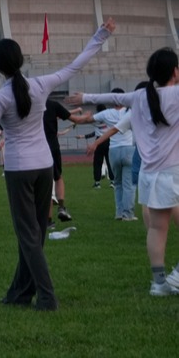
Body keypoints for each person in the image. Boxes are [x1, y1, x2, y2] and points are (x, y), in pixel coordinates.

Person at [0, 19, 114, 311]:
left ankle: (47, 297)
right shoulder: (40, 84)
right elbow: (75, 66)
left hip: (19, 170)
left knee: (28, 236)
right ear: (21, 60)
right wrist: (100, 35)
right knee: (36, 234)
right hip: (44, 167)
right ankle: (20, 292)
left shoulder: (1, 97)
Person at [69, 48, 179, 296]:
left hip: (149, 174)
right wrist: (86, 97)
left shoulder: (140, 96)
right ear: (175, 71)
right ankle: (175, 277)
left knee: (157, 229)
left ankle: (159, 283)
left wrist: (85, 96)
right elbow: (113, 98)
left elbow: (112, 97)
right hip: (172, 172)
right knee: (161, 227)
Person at [76, 93, 134, 219]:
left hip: (112, 148)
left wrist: (80, 116)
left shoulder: (106, 113)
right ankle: (128, 213)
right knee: (128, 184)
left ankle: (119, 213)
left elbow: (86, 120)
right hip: (128, 148)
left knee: (117, 183)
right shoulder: (130, 112)